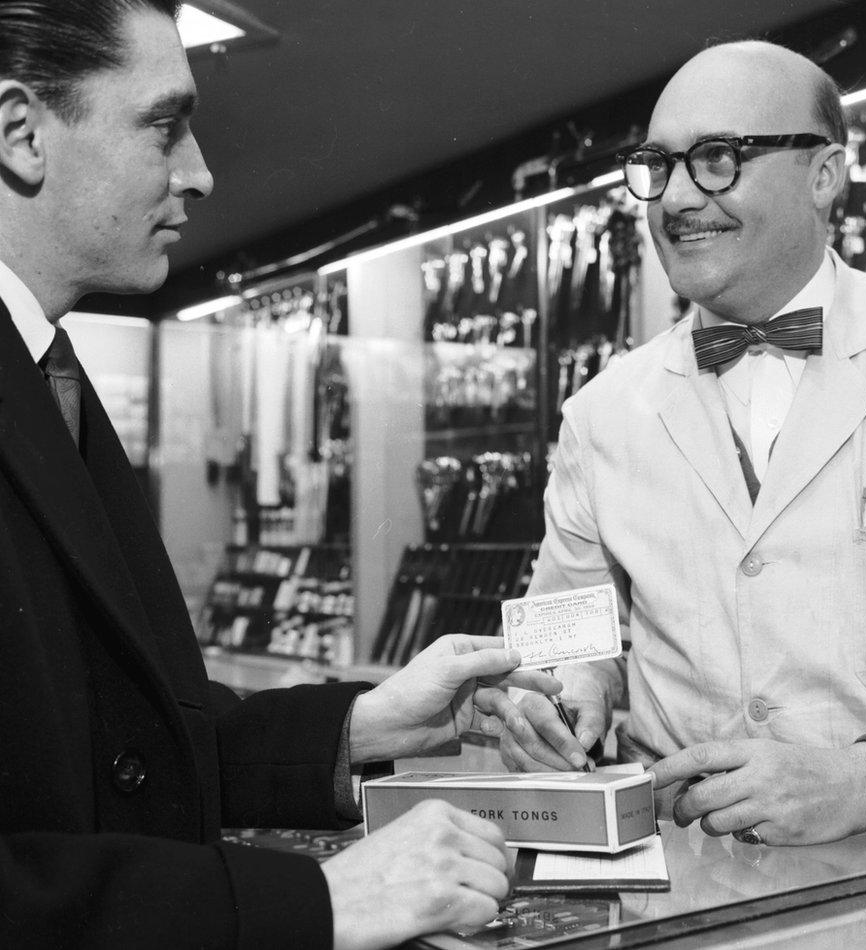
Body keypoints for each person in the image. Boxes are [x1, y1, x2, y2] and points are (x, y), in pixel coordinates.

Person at [0, 2, 563, 946]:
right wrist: (315, 903)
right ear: (20, 133)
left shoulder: (47, 370)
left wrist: (367, 726)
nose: (201, 172)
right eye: (163, 123)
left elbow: (110, 743)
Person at [499, 40, 866, 848]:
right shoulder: (601, 415)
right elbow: (565, 636)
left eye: (718, 159)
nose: (678, 197)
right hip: (684, 876)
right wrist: (563, 690)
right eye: (658, 164)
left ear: (825, 175)